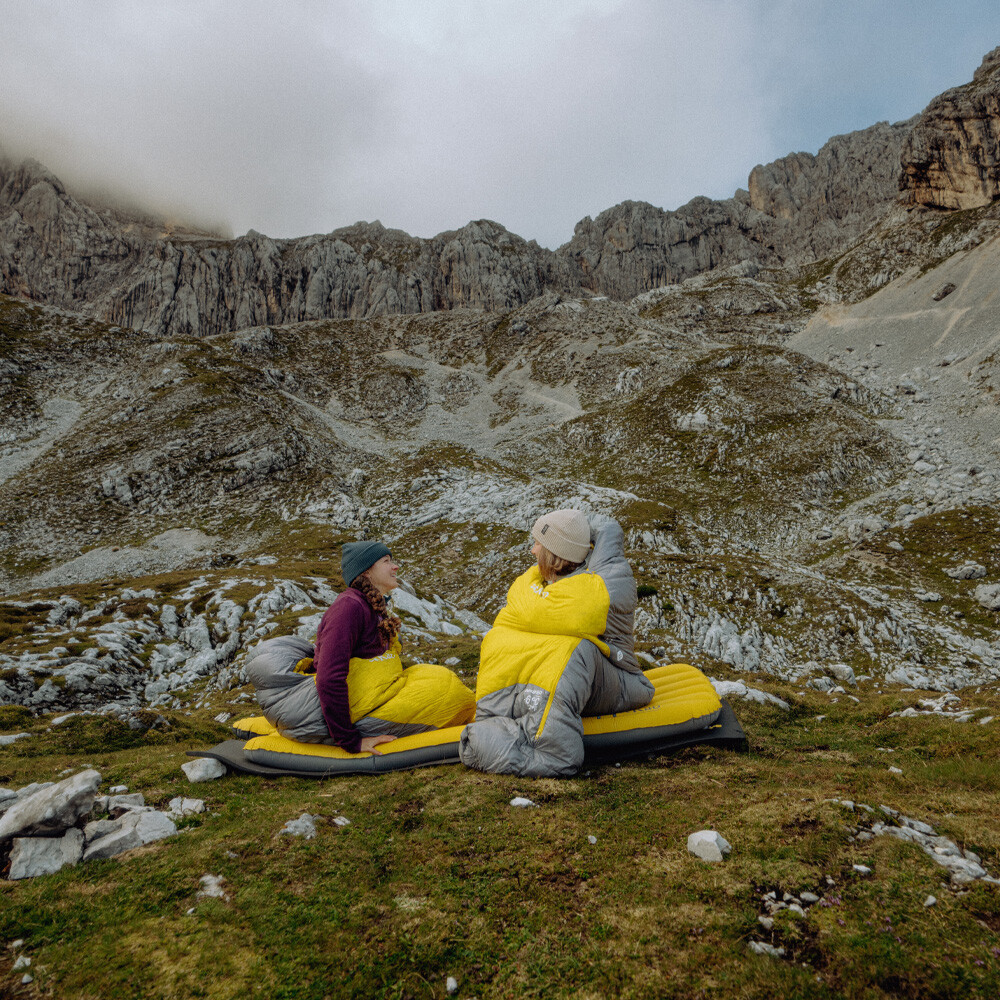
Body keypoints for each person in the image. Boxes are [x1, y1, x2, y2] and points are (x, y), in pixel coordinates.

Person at [459, 509, 654, 777]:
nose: (532, 550)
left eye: (539, 543)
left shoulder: (604, 585)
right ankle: (504, 715)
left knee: (572, 650)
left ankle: (551, 750)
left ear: (556, 553)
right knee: (501, 637)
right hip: (583, 684)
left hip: (621, 680)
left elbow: (569, 615)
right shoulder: (550, 582)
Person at [245, 540, 475, 754]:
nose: (395, 567)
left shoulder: (371, 606)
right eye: (386, 561)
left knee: (438, 680)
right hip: (353, 710)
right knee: (450, 695)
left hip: (374, 698)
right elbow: (329, 677)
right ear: (366, 571)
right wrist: (350, 741)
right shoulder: (348, 607)